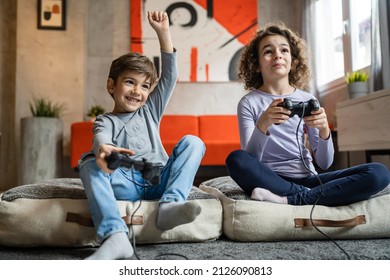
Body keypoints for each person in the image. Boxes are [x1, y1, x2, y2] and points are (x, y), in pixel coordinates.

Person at [78, 11, 205, 260]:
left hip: (159, 179)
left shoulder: (150, 110)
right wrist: (104, 149)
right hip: (126, 183)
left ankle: (170, 206)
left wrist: (163, 33)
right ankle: (115, 237)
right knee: (88, 162)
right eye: (129, 82)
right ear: (111, 85)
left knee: (194, 142)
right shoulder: (106, 120)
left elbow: (169, 78)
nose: (137, 91)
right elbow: (100, 136)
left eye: (144, 86)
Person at [226, 22, 390, 206]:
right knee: (236, 159)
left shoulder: (308, 98)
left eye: (284, 50)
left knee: (379, 172)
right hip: (270, 180)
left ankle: (292, 199)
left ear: (293, 61)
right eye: (268, 51)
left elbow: (325, 163)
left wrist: (323, 131)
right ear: (256, 64)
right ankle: (313, 196)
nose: (277, 55)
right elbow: (250, 159)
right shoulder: (249, 103)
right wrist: (263, 124)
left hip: (308, 178)